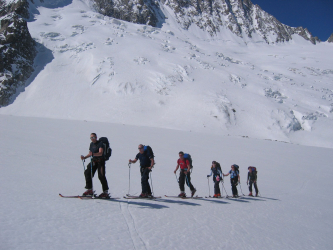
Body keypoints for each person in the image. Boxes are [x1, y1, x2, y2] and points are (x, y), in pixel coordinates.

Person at [80, 133, 109, 198]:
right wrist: (84, 157)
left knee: (101, 176)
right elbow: (90, 153)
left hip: (101, 161)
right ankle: (90, 189)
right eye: (91, 138)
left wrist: (93, 154)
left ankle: (105, 192)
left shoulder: (100, 144)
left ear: (96, 137)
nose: (92, 139)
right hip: (94, 161)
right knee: (87, 173)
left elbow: (100, 153)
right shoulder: (91, 144)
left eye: (93, 137)